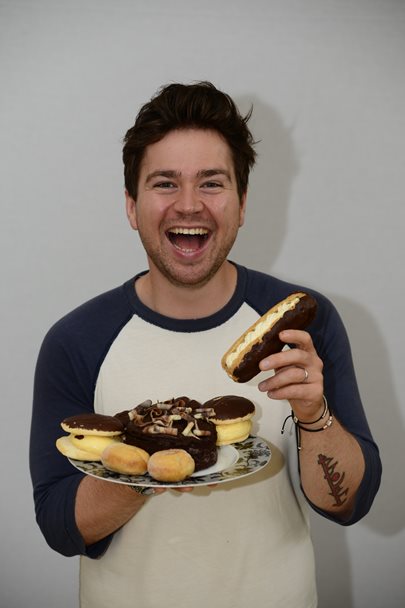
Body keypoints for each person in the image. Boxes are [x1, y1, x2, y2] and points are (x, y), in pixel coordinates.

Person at [30, 81, 381, 608]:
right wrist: (153, 457)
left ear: (242, 204)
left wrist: (314, 414)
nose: (188, 205)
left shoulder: (299, 324)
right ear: (131, 205)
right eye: (165, 183)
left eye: (212, 183)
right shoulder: (76, 340)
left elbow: (349, 503)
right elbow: (61, 527)